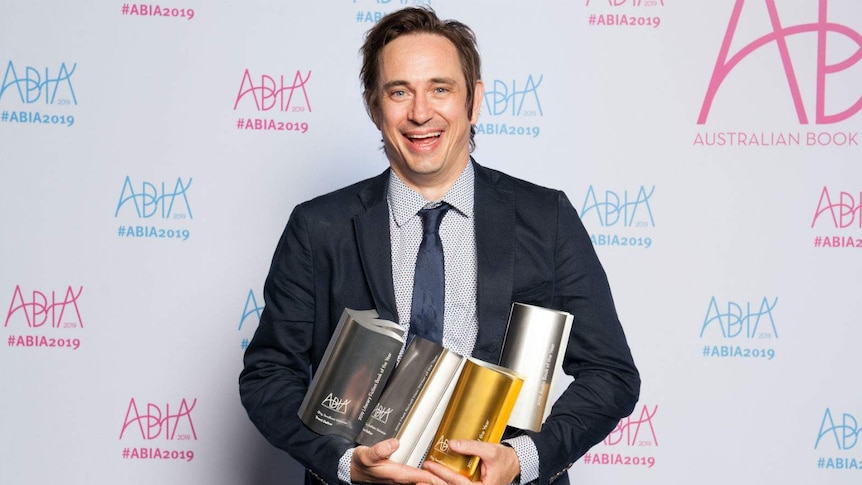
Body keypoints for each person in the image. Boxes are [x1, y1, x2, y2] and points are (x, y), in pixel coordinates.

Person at [239, 6, 639, 485]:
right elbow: (268, 376)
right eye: (399, 91)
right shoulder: (318, 226)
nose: (420, 112)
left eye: (440, 89)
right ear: (374, 106)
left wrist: (522, 461)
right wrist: (345, 465)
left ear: (474, 101)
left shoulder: (545, 218)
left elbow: (610, 373)